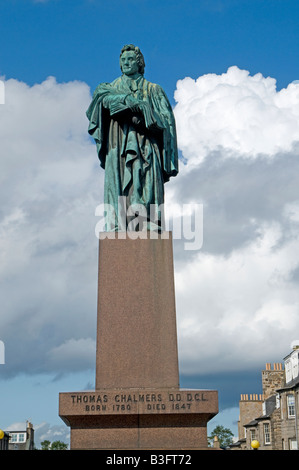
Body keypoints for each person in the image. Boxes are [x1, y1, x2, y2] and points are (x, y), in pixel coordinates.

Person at [86, 44, 178, 231]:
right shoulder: (109, 88)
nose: (126, 63)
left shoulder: (154, 90)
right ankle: (118, 223)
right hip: (118, 146)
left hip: (147, 145)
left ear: (140, 63)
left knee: (148, 183)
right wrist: (132, 104)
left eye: (131, 60)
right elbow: (100, 103)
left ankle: (150, 222)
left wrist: (147, 116)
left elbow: (167, 122)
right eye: (123, 60)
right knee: (118, 185)